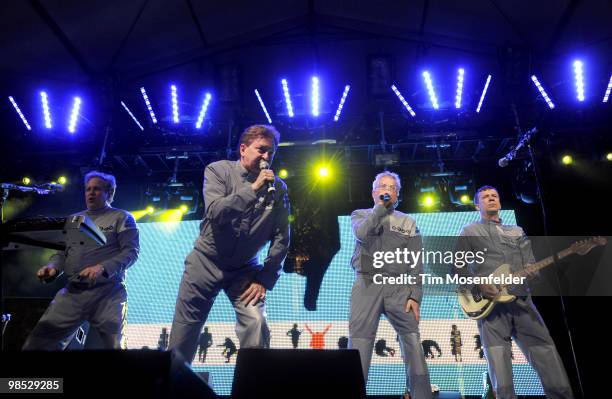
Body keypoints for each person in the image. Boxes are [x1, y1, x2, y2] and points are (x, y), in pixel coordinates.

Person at [168, 125, 290, 364]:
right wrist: (253, 189)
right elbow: (215, 212)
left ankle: (252, 385)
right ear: (243, 149)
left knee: (256, 322)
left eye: (271, 153)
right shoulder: (218, 171)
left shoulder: (279, 189)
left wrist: (265, 278)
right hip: (205, 263)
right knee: (184, 333)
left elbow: (282, 237)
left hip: (244, 269)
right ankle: (174, 388)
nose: (267, 157)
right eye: (261, 150)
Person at [455, 185, 574, 399]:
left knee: (546, 353)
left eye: (495, 196)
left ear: (499, 202)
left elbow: (531, 265)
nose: (491, 199)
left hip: (522, 301)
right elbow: (457, 267)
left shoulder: (517, 231)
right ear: (477, 205)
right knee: (499, 364)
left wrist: (532, 272)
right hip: (491, 308)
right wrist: (479, 284)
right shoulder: (469, 231)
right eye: (485, 197)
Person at [23, 171, 139, 350]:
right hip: (73, 293)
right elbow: (63, 252)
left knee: (115, 348)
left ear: (109, 193)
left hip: (108, 294)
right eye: (88, 189)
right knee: (36, 345)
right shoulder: (74, 219)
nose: (91, 193)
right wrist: (53, 267)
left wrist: (102, 267)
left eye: (97, 189)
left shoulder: (122, 217)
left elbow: (131, 253)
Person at [348, 171, 431, 399]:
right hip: (367, 284)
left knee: (412, 340)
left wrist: (415, 295)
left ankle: (421, 395)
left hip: (399, 287)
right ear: (374, 192)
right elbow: (363, 234)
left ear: (397, 194)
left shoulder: (408, 221)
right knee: (359, 343)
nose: (386, 190)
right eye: (382, 186)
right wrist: (379, 208)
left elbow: (416, 261)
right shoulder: (360, 215)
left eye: (391, 187)